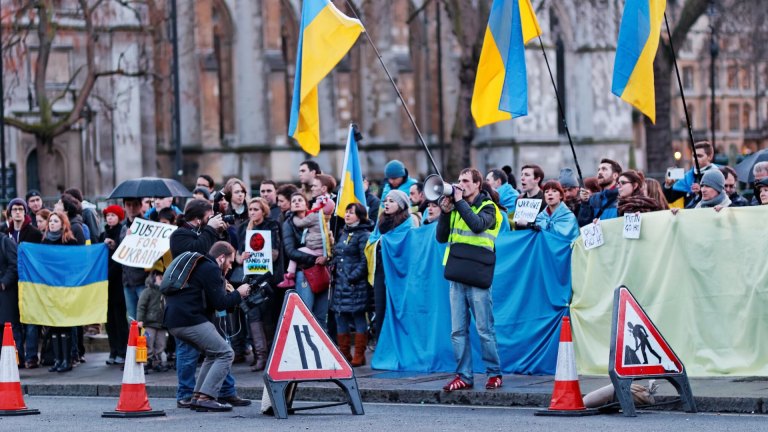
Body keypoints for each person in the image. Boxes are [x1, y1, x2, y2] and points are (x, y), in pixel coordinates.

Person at [168, 199, 249, 409]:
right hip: (190, 314)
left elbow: (220, 250)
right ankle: (194, 395)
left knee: (218, 349)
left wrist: (219, 230)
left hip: (195, 310)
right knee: (220, 352)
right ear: (198, 219)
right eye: (209, 216)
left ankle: (211, 393)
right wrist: (239, 294)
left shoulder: (207, 238)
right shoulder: (180, 235)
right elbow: (202, 253)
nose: (213, 219)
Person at [436, 168, 503, 392]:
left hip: (478, 276)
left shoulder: (489, 207)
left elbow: (477, 225)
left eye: (465, 181)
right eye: (459, 180)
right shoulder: (456, 207)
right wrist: (445, 212)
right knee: (457, 331)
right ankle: (464, 375)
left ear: (477, 185)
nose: (460, 184)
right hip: (457, 276)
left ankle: (494, 374)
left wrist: (458, 203)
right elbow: (441, 237)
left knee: (484, 329)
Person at [235, 197, 283, 371]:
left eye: (256, 209)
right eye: (250, 209)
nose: (252, 212)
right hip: (250, 278)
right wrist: (242, 258)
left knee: (268, 317)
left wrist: (262, 252)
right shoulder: (242, 229)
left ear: (263, 211)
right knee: (253, 315)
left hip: (268, 278)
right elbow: (237, 256)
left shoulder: (272, 226)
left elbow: (276, 253)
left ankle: (270, 357)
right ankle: (260, 356)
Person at [331, 203, 372, 367]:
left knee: (358, 317)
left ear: (360, 216)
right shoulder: (343, 232)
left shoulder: (363, 235)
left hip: (355, 284)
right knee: (340, 316)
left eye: (351, 213)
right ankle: (345, 354)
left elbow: (365, 260)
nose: (347, 215)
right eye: (346, 212)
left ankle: (359, 355)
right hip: (340, 283)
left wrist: (352, 277)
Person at [6, 198, 42, 368]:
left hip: (30, 284)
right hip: (13, 284)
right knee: (15, 322)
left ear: (25, 212)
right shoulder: (6, 233)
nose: (18, 212)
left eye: (21, 209)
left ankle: (32, 356)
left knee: (30, 321)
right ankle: (18, 356)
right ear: (10, 213)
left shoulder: (34, 233)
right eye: (15, 209)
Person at [42, 211, 79, 373]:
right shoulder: (44, 242)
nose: (52, 224)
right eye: (50, 221)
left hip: (65, 288)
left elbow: (75, 264)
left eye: (55, 221)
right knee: (54, 325)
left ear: (63, 224)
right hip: (50, 289)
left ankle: (67, 360)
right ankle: (57, 359)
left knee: (65, 325)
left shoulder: (70, 242)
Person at [277, 191, 331, 289]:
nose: (297, 202)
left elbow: (328, 241)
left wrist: (326, 258)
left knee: (323, 304)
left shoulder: (318, 218)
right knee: (306, 303)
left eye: (300, 200)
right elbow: (290, 251)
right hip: (303, 271)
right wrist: (315, 259)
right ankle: (289, 276)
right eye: (294, 201)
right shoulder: (288, 224)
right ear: (291, 206)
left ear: (306, 204)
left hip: (322, 270)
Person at [100, 205, 128, 366]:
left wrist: (115, 245)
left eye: (113, 215)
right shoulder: (103, 234)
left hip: (117, 282)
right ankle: (113, 349)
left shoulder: (121, 232)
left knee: (119, 318)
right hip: (105, 284)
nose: (110, 218)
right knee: (109, 319)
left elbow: (121, 256)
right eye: (108, 215)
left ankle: (122, 351)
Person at [664, 141, 718, 207]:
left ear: (710, 156)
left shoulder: (719, 174)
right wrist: (668, 185)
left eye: (699, 156)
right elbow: (669, 199)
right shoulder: (687, 177)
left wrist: (700, 192)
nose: (695, 159)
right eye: (694, 156)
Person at [137, 270, 169, 372]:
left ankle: (157, 362)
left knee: (161, 344)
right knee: (148, 343)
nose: (162, 280)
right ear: (154, 278)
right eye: (160, 278)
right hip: (150, 323)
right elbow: (141, 306)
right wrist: (140, 320)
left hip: (162, 323)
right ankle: (146, 362)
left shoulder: (165, 291)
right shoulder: (148, 291)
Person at [577, 158, 622, 226]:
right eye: (599, 170)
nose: (600, 172)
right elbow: (583, 226)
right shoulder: (593, 199)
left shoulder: (623, 197)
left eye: (604, 169)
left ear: (615, 175)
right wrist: (585, 203)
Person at [513, 164, 545, 230]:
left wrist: (528, 225)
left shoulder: (545, 200)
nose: (522, 178)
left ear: (537, 179)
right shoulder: (519, 199)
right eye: (521, 175)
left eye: (527, 175)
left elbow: (546, 226)